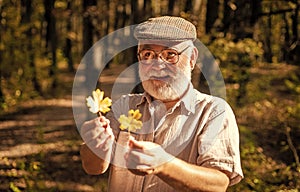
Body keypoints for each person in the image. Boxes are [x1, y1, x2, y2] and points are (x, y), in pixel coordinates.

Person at [80, 16, 243, 192]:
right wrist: (93, 145)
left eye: (170, 55)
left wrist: (164, 164)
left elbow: (218, 184)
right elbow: (94, 167)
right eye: (147, 54)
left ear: (192, 58)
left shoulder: (213, 111)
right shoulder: (125, 105)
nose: (157, 65)